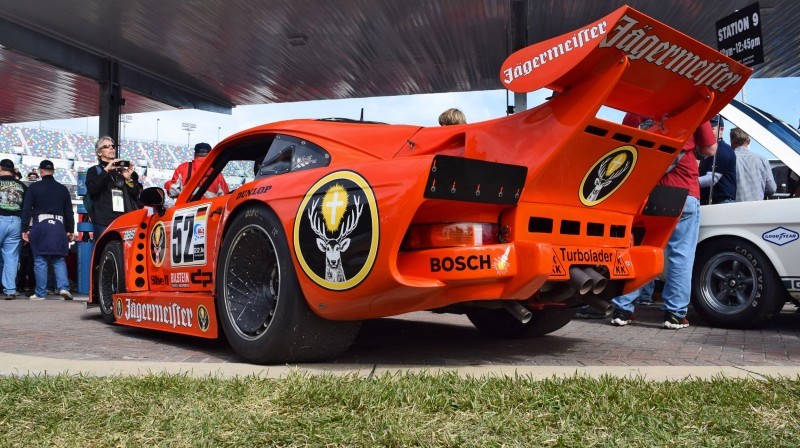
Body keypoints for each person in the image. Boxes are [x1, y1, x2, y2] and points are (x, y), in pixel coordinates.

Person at [610, 115, 717, 329]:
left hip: (644, 192)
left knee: (636, 250)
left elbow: (622, 142)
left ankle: (622, 309)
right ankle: (674, 314)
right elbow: (710, 149)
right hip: (683, 189)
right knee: (681, 255)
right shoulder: (694, 103)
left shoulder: (636, 108)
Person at [20, 160, 74, 301]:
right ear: (53, 171)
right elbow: (69, 212)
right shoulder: (63, 189)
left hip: (41, 225)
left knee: (40, 260)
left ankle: (40, 293)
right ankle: (63, 287)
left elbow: (26, 210)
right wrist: (70, 230)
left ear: (41, 171)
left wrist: (24, 228)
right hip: (59, 225)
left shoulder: (34, 188)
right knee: (59, 259)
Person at [85, 136, 142, 238]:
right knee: (105, 251)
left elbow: (135, 195)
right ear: (99, 153)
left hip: (122, 220)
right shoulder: (94, 170)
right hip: (103, 221)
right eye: (107, 146)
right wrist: (106, 170)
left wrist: (128, 179)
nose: (111, 148)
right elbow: (92, 190)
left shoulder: (120, 171)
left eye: (113, 146)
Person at [0, 159, 27, 300]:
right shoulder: (21, 185)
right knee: (11, 258)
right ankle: (10, 289)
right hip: (16, 221)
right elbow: (27, 207)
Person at [164, 142, 229, 199]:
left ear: (195, 154)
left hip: (187, 210)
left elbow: (173, 192)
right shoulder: (216, 173)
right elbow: (224, 196)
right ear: (210, 154)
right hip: (209, 211)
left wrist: (167, 185)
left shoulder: (183, 168)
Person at [731, 127, 777, 202]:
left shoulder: (729, 159)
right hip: (757, 208)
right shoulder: (762, 160)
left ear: (731, 141)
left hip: (733, 207)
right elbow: (771, 189)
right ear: (748, 141)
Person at [699, 115, 737, 204]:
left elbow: (711, 179)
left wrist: (688, 182)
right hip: (710, 201)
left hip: (721, 202)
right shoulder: (705, 150)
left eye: (711, 129)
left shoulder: (722, 149)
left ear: (721, 130)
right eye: (705, 129)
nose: (706, 132)